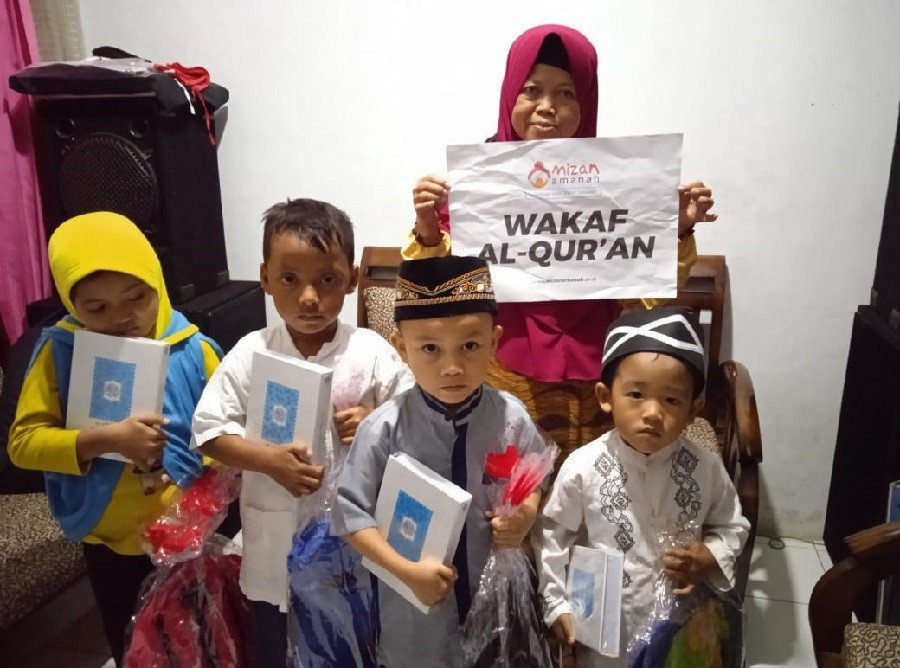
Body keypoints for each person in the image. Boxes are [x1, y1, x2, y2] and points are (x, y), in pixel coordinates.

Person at [405, 24, 717, 458]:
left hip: (597, 369)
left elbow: (645, 293)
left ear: (586, 102)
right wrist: (427, 227)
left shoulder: (618, 181)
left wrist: (677, 229)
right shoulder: (476, 188)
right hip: (501, 362)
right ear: (509, 94)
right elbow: (438, 293)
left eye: (566, 94)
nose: (547, 108)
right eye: (531, 90)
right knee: (509, 485)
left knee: (586, 485)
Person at [191, 197, 413, 667]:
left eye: (327, 280)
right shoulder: (251, 353)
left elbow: (414, 419)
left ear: (352, 280)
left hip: (350, 552)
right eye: (290, 279)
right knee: (276, 644)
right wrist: (267, 461)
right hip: (274, 547)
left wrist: (375, 420)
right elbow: (208, 432)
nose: (309, 297)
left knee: (353, 646)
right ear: (265, 278)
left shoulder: (371, 352)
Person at [8, 211, 221, 667]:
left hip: (185, 535)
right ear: (70, 303)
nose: (122, 318)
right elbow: (23, 444)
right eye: (96, 308)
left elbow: (225, 436)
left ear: (156, 281)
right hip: (108, 540)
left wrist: (209, 472)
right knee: (131, 647)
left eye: (136, 297)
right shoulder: (59, 354)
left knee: (197, 643)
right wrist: (103, 440)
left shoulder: (193, 348)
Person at [332, 255, 549, 668]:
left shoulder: (510, 417)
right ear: (402, 348)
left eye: (470, 346)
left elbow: (534, 477)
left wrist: (526, 514)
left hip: (495, 601)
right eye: (430, 348)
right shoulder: (383, 430)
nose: (452, 367)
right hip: (416, 612)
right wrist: (406, 571)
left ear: (494, 342)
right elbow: (351, 516)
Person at [537, 306, 749, 666]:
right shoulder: (582, 468)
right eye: (636, 395)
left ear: (693, 409)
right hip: (604, 624)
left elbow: (732, 526)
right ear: (606, 397)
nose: (652, 412)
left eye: (671, 399)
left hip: (682, 622)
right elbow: (553, 538)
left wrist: (708, 556)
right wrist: (557, 605)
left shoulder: (706, 467)